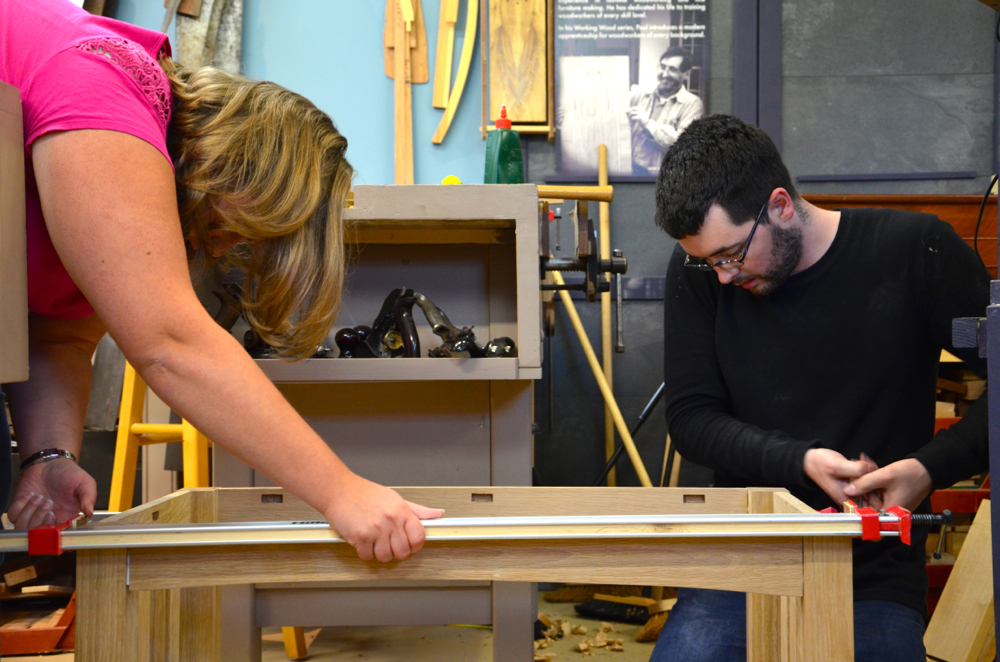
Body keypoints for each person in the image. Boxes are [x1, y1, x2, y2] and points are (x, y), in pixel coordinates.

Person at [0, 0, 443, 563]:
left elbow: (60, 334)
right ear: (244, 161)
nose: (233, 245)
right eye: (255, 225)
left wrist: (48, 455)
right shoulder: (105, 84)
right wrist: (342, 492)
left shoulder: (115, 167)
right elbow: (171, 345)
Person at [651, 114, 989, 661]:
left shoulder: (914, 253)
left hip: (871, 571)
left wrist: (930, 468)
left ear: (780, 205)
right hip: (744, 557)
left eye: (731, 255)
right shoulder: (701, 269)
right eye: (706, 261)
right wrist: (800, 461)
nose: (722, 277)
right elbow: (691, 418)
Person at [627, 46, 704, 176]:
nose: (664, 74)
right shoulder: (641, 94)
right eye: (662, 67)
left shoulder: (693, 104)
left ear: (686, 74)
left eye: (672, 69)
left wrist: (647, 123)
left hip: (659, 178)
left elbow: (682, 147)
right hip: (630, 171)